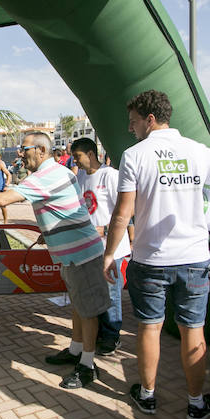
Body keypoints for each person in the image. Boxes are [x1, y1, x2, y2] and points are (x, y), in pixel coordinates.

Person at [103, 90, 210, 419]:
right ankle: (196, 403)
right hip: (194, 260)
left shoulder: (135, 155)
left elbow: (122, 214)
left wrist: (110, 254)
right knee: (192, 330)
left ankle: (148, 395)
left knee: (149, 328)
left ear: (149, 119)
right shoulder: (198, 152)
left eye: (134, 122)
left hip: (150, 260)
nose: (131, 128)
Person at [0, 131, 109, 389]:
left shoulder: (44, 176)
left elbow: (1, 199)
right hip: (73, 253)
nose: (20, 153)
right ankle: (75, 350)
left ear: (41, 151)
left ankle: (87, 365)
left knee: (87, 311)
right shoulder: (63, 173)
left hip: (81, 254)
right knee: (78, 304)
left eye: (24, 148)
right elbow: (66, 210)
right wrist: (49, 233)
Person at [70, 137, 130, 355]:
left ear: (91, 154)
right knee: (96, 292)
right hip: (91, 249)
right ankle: (99, 333)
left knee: (111, 293)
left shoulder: (111, 176)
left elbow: (125, 210)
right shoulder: (81, 178)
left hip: (112, 248)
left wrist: (104, 230)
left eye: (77, 157)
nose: (74, 161)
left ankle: (112, 336)